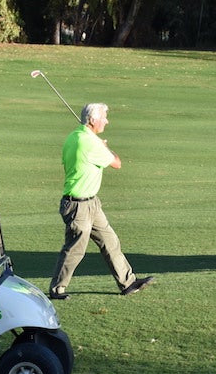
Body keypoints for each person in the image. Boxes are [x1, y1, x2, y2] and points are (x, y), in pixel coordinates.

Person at [48, 103, 154, 299]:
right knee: (75, 249)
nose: (107, 120)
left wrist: (98, 144)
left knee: (109, 240)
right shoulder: (89, 142)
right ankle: (57, 289)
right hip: (78, 205)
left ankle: (128, 282)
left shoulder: (75, 136)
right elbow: (117, 163)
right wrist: (105, 147)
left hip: (91, 203)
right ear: (93, 120)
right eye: (104, 117)